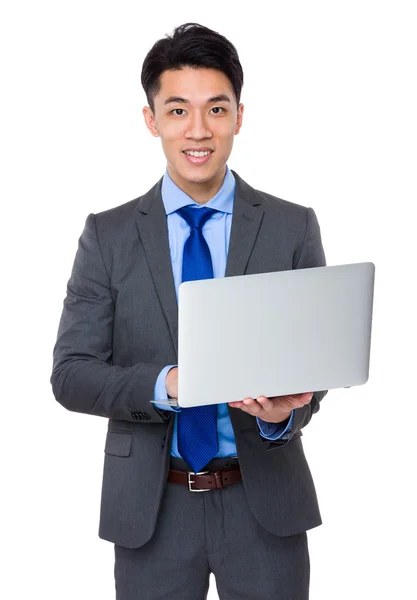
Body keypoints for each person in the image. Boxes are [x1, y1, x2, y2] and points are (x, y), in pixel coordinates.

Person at [51, 22, 327, 600]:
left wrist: (280, 414)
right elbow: (71, 373)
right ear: (152, 120)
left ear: (239, 116)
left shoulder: (290, 227)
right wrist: (167, 384)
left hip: (265, 507)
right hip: (153, 510)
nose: (198, 131)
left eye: (216, 109)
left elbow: (313, 370)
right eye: (177, 111)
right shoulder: (109, 235)